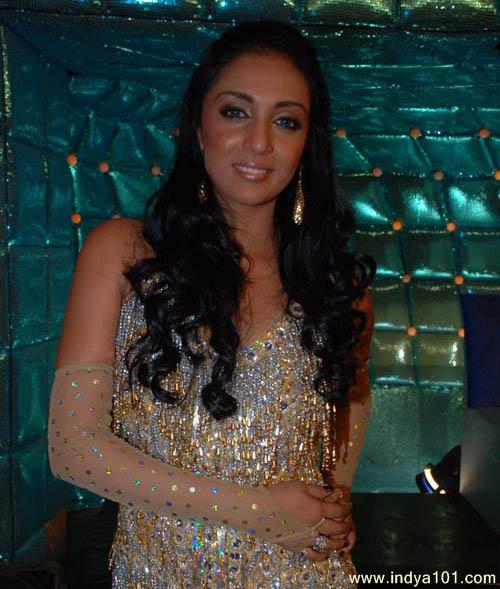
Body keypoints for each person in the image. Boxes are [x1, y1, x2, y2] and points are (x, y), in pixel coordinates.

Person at [48, 19, 376, 588]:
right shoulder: (125, 254)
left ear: (307, 143)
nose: (260, 142)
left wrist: (332, 502)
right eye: (235, 112)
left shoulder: (337, 286)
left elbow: (353, 400)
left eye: (286, 121)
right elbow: (73, 449)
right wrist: (259, 510)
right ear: (198, 127)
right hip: (159, 573)